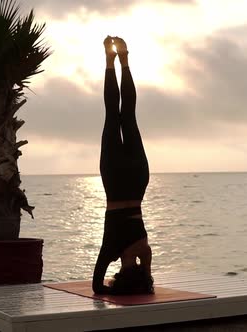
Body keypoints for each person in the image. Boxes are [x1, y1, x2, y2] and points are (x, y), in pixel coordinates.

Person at [92, 36, 154, 295]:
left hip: (137, 179)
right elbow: (97, 286)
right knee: (113, 115)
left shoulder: (144, 251)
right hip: (115, 182)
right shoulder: (111, 249)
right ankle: (111, 61)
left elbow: (146, 279)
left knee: (128, 115)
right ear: (120, 273)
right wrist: (112, 292)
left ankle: (124, 61)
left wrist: (145, 276)